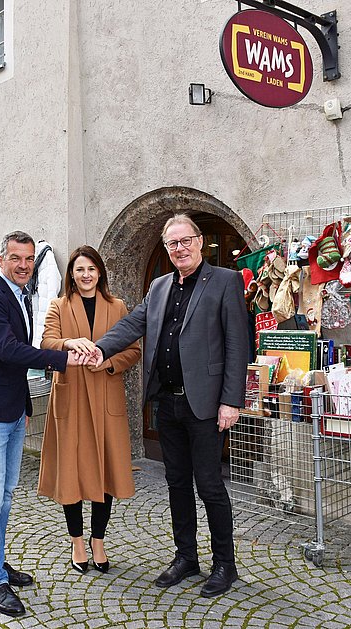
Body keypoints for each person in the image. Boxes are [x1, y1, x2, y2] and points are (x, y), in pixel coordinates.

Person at [92, 214, 248, 598]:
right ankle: (186, 558)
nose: (179, 249)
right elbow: (133, 325)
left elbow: (237, 345)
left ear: (199, 242)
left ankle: (225, 565)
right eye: (172, 244)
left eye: (185, 241)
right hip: (167, 401)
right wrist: (98, 348)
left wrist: (231, 400)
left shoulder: (225, 281)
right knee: (176, 483)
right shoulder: (159, 285)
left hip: (207, 405)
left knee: (210, 485)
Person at [0, 230, 86, 618]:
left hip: (10, 410)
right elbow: (9, 351)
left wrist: (24, 403)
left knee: (6, 495)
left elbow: (9, 364)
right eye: (16, 258)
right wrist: (64, 359)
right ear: (1, 259)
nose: (24, 265)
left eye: (29, 259)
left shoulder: (19, 296)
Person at [37, 245, 140, 575]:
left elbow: (133, 350)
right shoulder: (59, 306)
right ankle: (77, 540)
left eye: (91, 269)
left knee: (105, 471)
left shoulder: (117, 306)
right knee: (71, 471)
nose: (85, 275)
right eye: (79, 269)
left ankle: (98, 539)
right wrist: (70, 343)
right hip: (71, 398)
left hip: (105, 393)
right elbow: (47, 343)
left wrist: (108, 362)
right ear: (72, 274)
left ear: (100, 273)